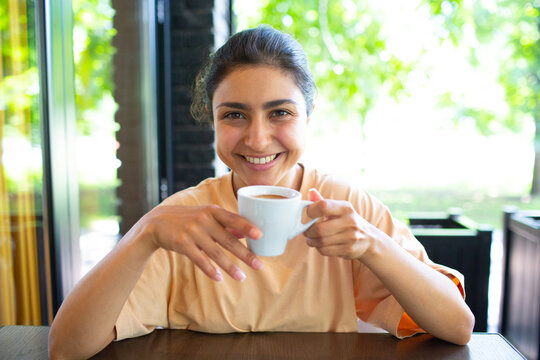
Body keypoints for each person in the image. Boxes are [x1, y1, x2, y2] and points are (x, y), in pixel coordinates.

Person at [48, 25, 474, 359]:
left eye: (280, 113)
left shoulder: (345, 207)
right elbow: (66, 348)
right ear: (211, 120)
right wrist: (144, 233)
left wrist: (372, 246)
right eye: (234, 115)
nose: (256, 139)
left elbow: (457, 327)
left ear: (309, 116)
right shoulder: (182, 220)